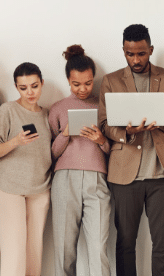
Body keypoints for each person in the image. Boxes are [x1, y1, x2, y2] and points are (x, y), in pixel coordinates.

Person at [99, 24, 164, 276]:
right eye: (130, 54)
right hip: (125, 175)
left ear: (150, 50)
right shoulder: (111, 80)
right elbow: (104, 124)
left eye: (141, 53)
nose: (136, 60)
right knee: (125, 242)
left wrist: (162, 121)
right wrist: (127, 132)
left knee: (162, 242)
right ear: (124, 51)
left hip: (162, 174)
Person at [49, 44, 111, 276]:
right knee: (64, 248)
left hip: (97, 179)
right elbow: (52, 153)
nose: (83, 89)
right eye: (76, 84)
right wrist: (65, 134)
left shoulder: (103, 106)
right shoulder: (57, 108)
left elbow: (113, 149)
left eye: (88, 83)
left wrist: (101, 139)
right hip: (65, 179)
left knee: (98, 246)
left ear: (94, 78)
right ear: (68, 80)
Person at [0, 62, 52, 276]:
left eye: (34, 86)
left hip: (40, 190)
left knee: (34, 257)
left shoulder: (48, 115)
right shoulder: (8, 110)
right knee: (14, 257)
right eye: (23, 88)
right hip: (9, 190)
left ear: (42, 83)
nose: (30, 92)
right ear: (16, 87)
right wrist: (16, 141)